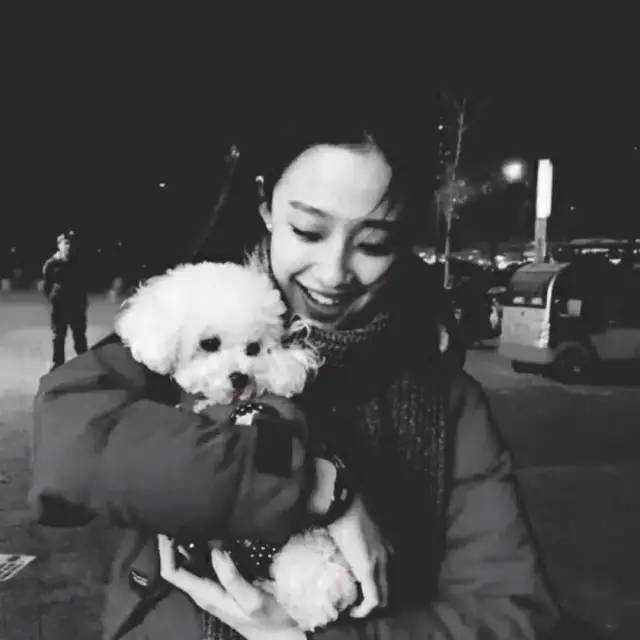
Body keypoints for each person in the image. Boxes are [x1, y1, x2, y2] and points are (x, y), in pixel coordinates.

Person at [31, 106, 561, 639]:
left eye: (374, 244)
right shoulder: (198, 321)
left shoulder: (447, 397)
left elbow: (509, 614)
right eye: (308, 231)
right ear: (265, 204)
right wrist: (313, 486)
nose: (333, 273)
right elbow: (69, 445)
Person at [41, 230, 88, 370]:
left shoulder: (79, 261)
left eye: (71, 243)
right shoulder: (51, 264)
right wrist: (53, 298)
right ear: (59, 245)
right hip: (59, 305)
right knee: (58, 336)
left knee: (79, 335)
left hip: (77, 304)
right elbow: (46, 286)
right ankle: (58, 364)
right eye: (66, 243)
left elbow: (84, 283)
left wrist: (83, 301)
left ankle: (84, 363)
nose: (69, 246)